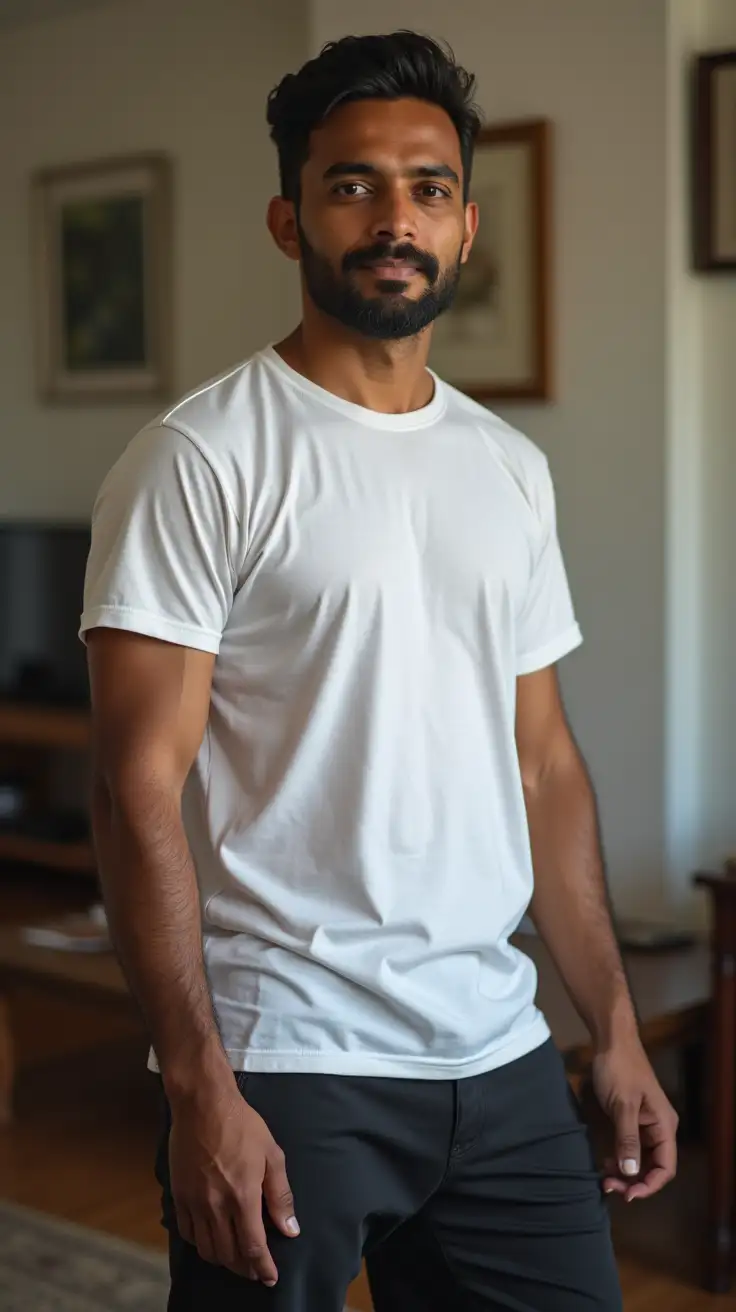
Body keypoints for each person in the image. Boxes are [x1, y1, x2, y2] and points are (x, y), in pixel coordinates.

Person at [81, 30, 677, 1312]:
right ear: (291, 220)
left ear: (465, 227)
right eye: (354, 185)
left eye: (429, 188)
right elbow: (136, 786)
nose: (394, 217)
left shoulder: (510, 470)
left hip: (500, 1049)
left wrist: (611, 1026)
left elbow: (545, 763)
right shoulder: (200, 459)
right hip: (290, 1059)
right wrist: (199, 1084)